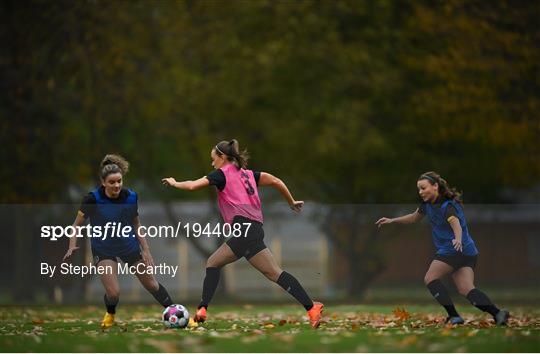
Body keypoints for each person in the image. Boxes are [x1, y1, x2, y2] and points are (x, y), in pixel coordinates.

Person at [162, 139, 324, 328]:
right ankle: (312, 307)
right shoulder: (248, 174)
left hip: (244, 230)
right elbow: (276, 181)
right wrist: (291, 201)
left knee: (213, 263)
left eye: (213, 159)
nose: (212, 163)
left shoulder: (221, 175)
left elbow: (192, 185)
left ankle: (202, 309)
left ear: (222, 157)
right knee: (274, 273)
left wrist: (174, 183)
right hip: (255, 229)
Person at [375, 171, 509, 325]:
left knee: (430, 278)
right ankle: (498, 313)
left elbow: (455, 223)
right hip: (468, 252)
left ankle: (454, 316)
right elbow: (414, 217)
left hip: (453, 249)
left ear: (435, 186)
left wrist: (457, 239)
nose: (421, 192)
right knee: (466, 289)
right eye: (419, 189)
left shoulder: (446, 205)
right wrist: (392, 220)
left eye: (423, 188)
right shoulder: (427, 205)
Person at [63, 154, 174, 328]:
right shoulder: (92, 199)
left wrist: (145, 249)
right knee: (114, 294)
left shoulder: (131, 197)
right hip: (104, 249)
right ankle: (110, 314)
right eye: (112, 182)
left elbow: (136, 224)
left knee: (152, 285)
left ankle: (175, 312)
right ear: (103, 182)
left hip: (129, 247)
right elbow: (76, 225)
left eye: (119, 181)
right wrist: (72, 244)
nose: (116, 185)